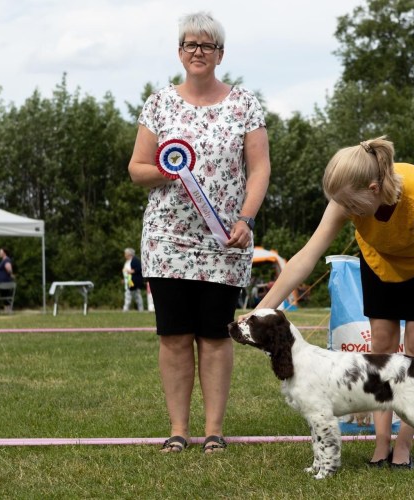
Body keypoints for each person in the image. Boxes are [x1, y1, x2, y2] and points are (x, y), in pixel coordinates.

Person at [249, 136, 414, 469]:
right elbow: (305, 258)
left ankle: (404, 446)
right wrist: (260, 311)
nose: (347, 212)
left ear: (374, 188)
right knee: (381, 346)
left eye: (352, 207)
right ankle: (381, 443)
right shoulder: (344, 198)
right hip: (379, 260)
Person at [128, 12, 270, 454]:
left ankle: (213, 431)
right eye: (190, 44)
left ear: (220, 54)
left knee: (214, 335)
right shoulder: (158, 104)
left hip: (225, 240)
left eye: (207, 45)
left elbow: (259, 168)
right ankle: (178, 430)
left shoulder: (245, 104)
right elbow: (136, 169)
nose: (198, 52)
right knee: (173, 336)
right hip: (167, 240)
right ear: (179, 52)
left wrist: (246, 219)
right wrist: (170, 171)